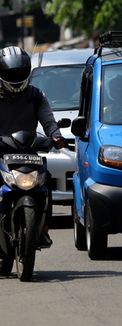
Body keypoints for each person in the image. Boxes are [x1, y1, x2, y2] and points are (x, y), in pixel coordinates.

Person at [0, 46, 65, 248]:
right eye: (12, 74)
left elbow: (48, 120)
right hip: (1, 152)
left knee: (45, 186)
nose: (17, 77)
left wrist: (55, 135)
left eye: (20, 73)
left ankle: (43, 230)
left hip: (28, 152)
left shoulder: (36, 95)